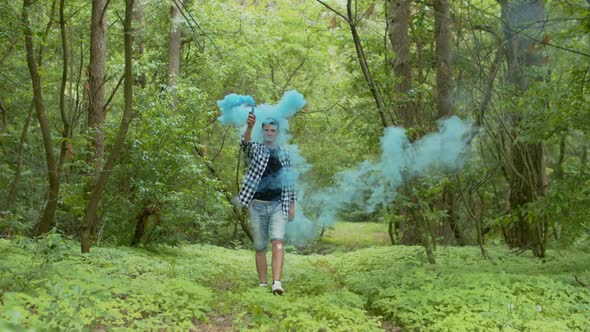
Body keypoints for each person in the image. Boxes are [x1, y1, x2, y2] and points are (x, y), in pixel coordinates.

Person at [236, 111, 295, 295]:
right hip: (257, 205)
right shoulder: (256, 149)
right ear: (262, 132)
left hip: (279, 205)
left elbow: (290, 180)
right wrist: (250, 127)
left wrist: (292, 203)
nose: (269, 133)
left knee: (278, 241)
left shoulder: (285, 153)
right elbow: (244, 145)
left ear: (277, 132)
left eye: (273, 130)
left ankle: (277, 282)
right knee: (260, 246)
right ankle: (263, 283)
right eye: (267, 130)